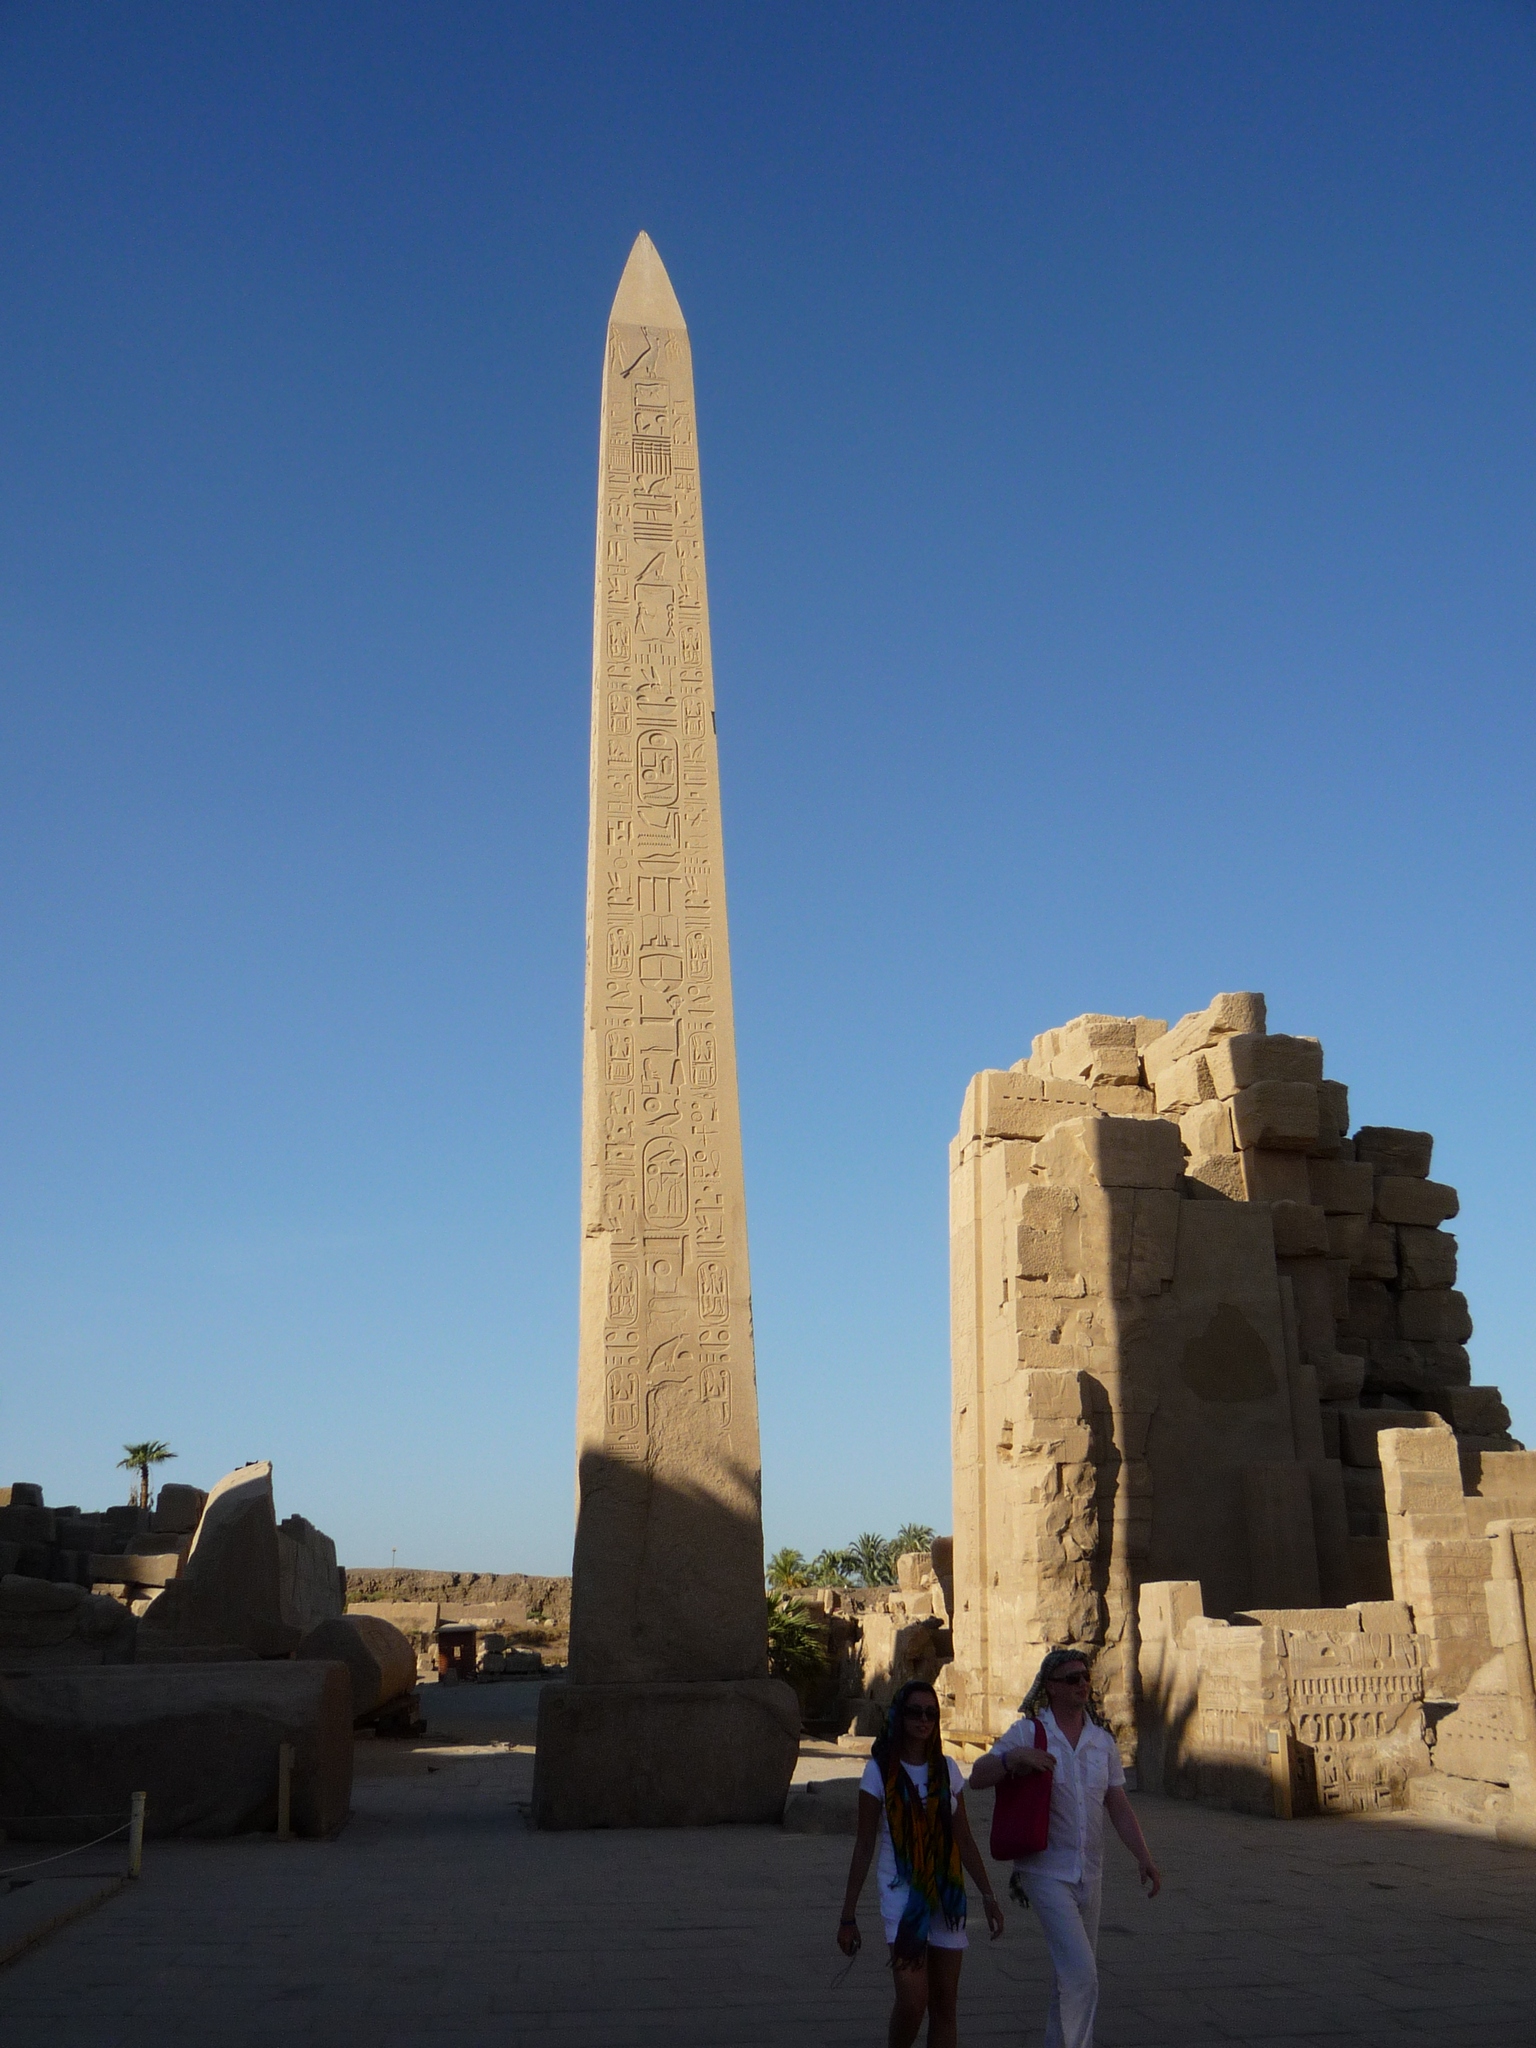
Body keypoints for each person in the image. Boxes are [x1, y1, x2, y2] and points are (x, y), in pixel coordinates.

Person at [968, 1649, 1160, 2048]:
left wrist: (1143, 1856)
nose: (1081, 1685)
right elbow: (978, 1776)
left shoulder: (1101, 1741)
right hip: (1043, 1870)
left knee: (1068, 1976)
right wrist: (1013, 1760)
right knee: (1081, 1974)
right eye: (1071, 1679)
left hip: (1090, 1871)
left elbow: (1118, 1805)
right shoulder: (1028, 1733)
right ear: (1051, 1688)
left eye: (1084, 1677)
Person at [836, 1679, 1005, 2048]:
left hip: (947, 1894)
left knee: (944, 2005)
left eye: (931, 1713)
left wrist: (988, 1895)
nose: (923, 1720)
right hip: (902, 1895)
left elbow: (964, 1838)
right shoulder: (879, 1773)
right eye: (915, 1712)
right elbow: (864, 1844)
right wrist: (848, 1915)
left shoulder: (947, 1770)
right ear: (899, 1716)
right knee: (913, 2001)